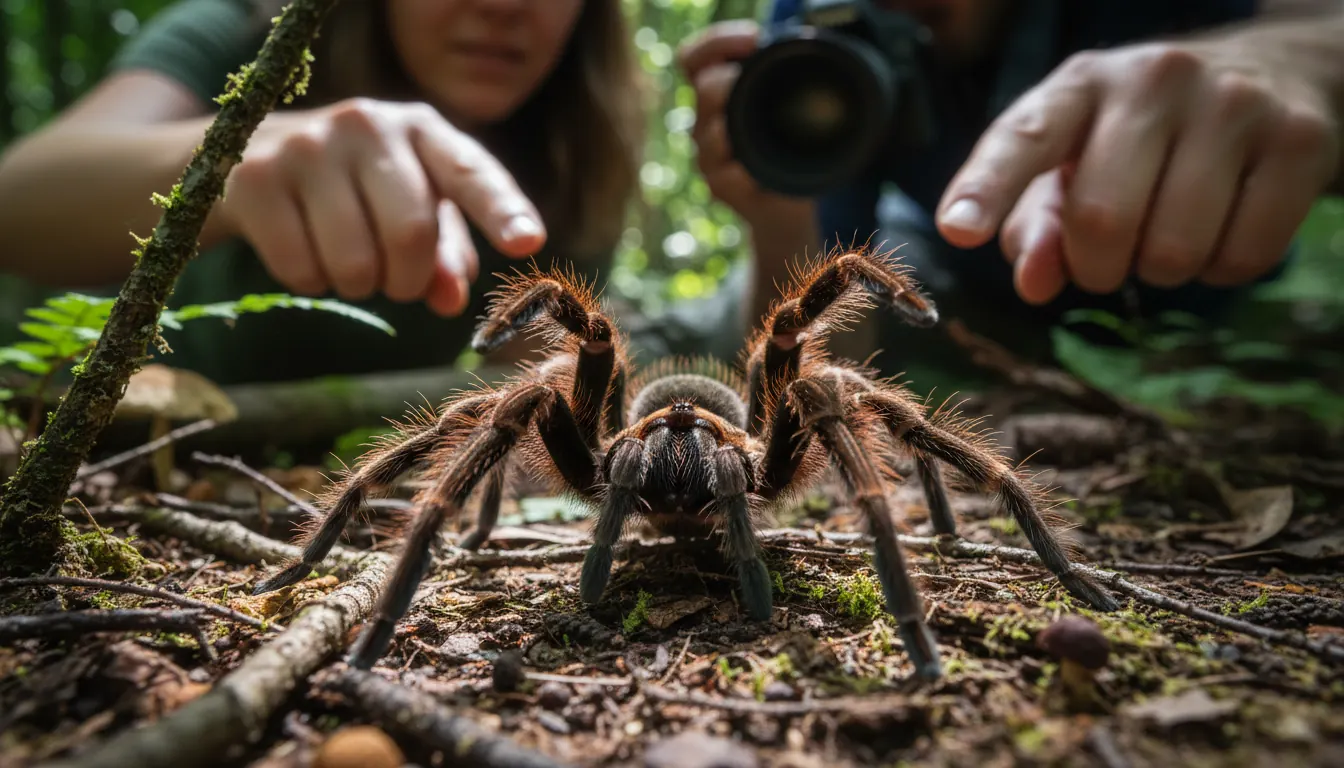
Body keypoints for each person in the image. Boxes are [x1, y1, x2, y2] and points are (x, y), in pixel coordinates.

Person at [680, 0, 1344, 388]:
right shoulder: (819, 39)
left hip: (1225, 306)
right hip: (962, 291)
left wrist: (1293, 60)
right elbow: (820, 373)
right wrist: (776, 215)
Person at [0, 0, 643, 386]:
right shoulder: (253, 30)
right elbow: (17, 200)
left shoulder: (575, 150)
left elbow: (537, 395)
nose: (505, 6)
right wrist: (234, 159)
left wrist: (752, 229)